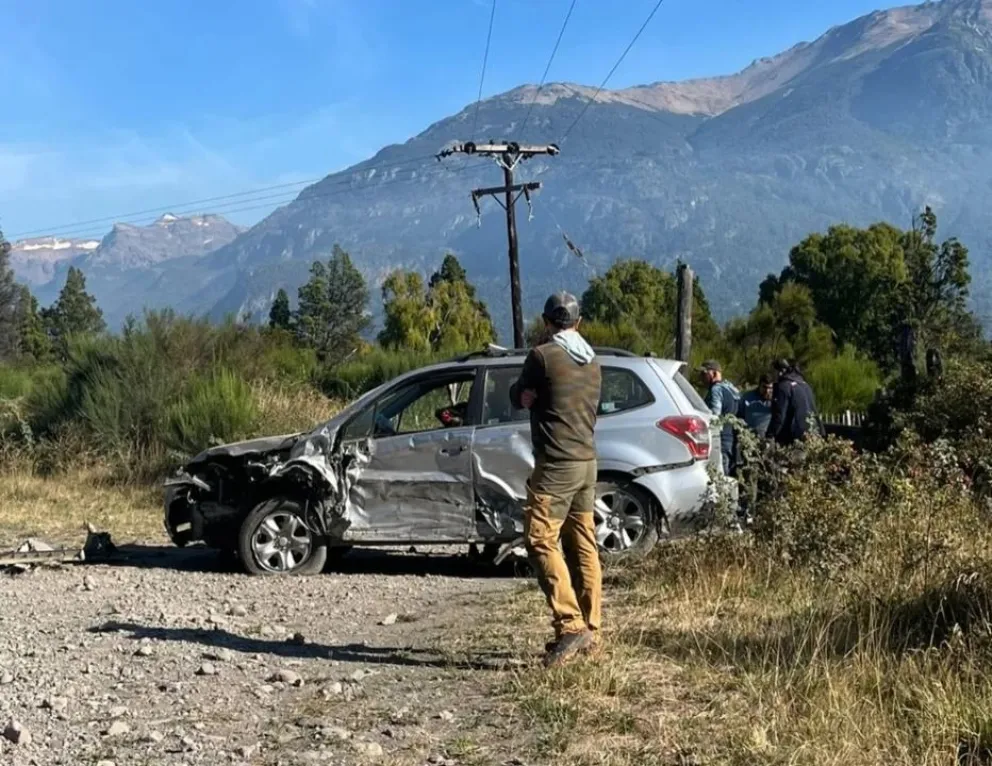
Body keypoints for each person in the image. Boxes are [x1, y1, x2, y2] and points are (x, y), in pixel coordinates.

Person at [509, 291, 603, 668]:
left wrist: (526, 393)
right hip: (587, 462)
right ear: (577, 323)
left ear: (547, 322)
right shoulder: (593, 360)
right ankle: (591, 630)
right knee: (583, 542)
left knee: (539, 538)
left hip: (556, 465)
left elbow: (519, 397)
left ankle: (569, 626)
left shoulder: (541, 356)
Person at [766, 359, 823, 446]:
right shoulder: (805, 385)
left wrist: (770, 435)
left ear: (780, 372)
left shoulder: (783, 387)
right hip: (813, 435)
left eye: (773, 372)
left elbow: (779, 416)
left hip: (795, 439)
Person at [700, 360, 741, 476]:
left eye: (704, 374)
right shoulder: (732, 389)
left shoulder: (716, 390)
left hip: (721, 439)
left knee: (721, 476)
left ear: (713, 374)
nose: (701, 378)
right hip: (732, 438)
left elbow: (714, 417)